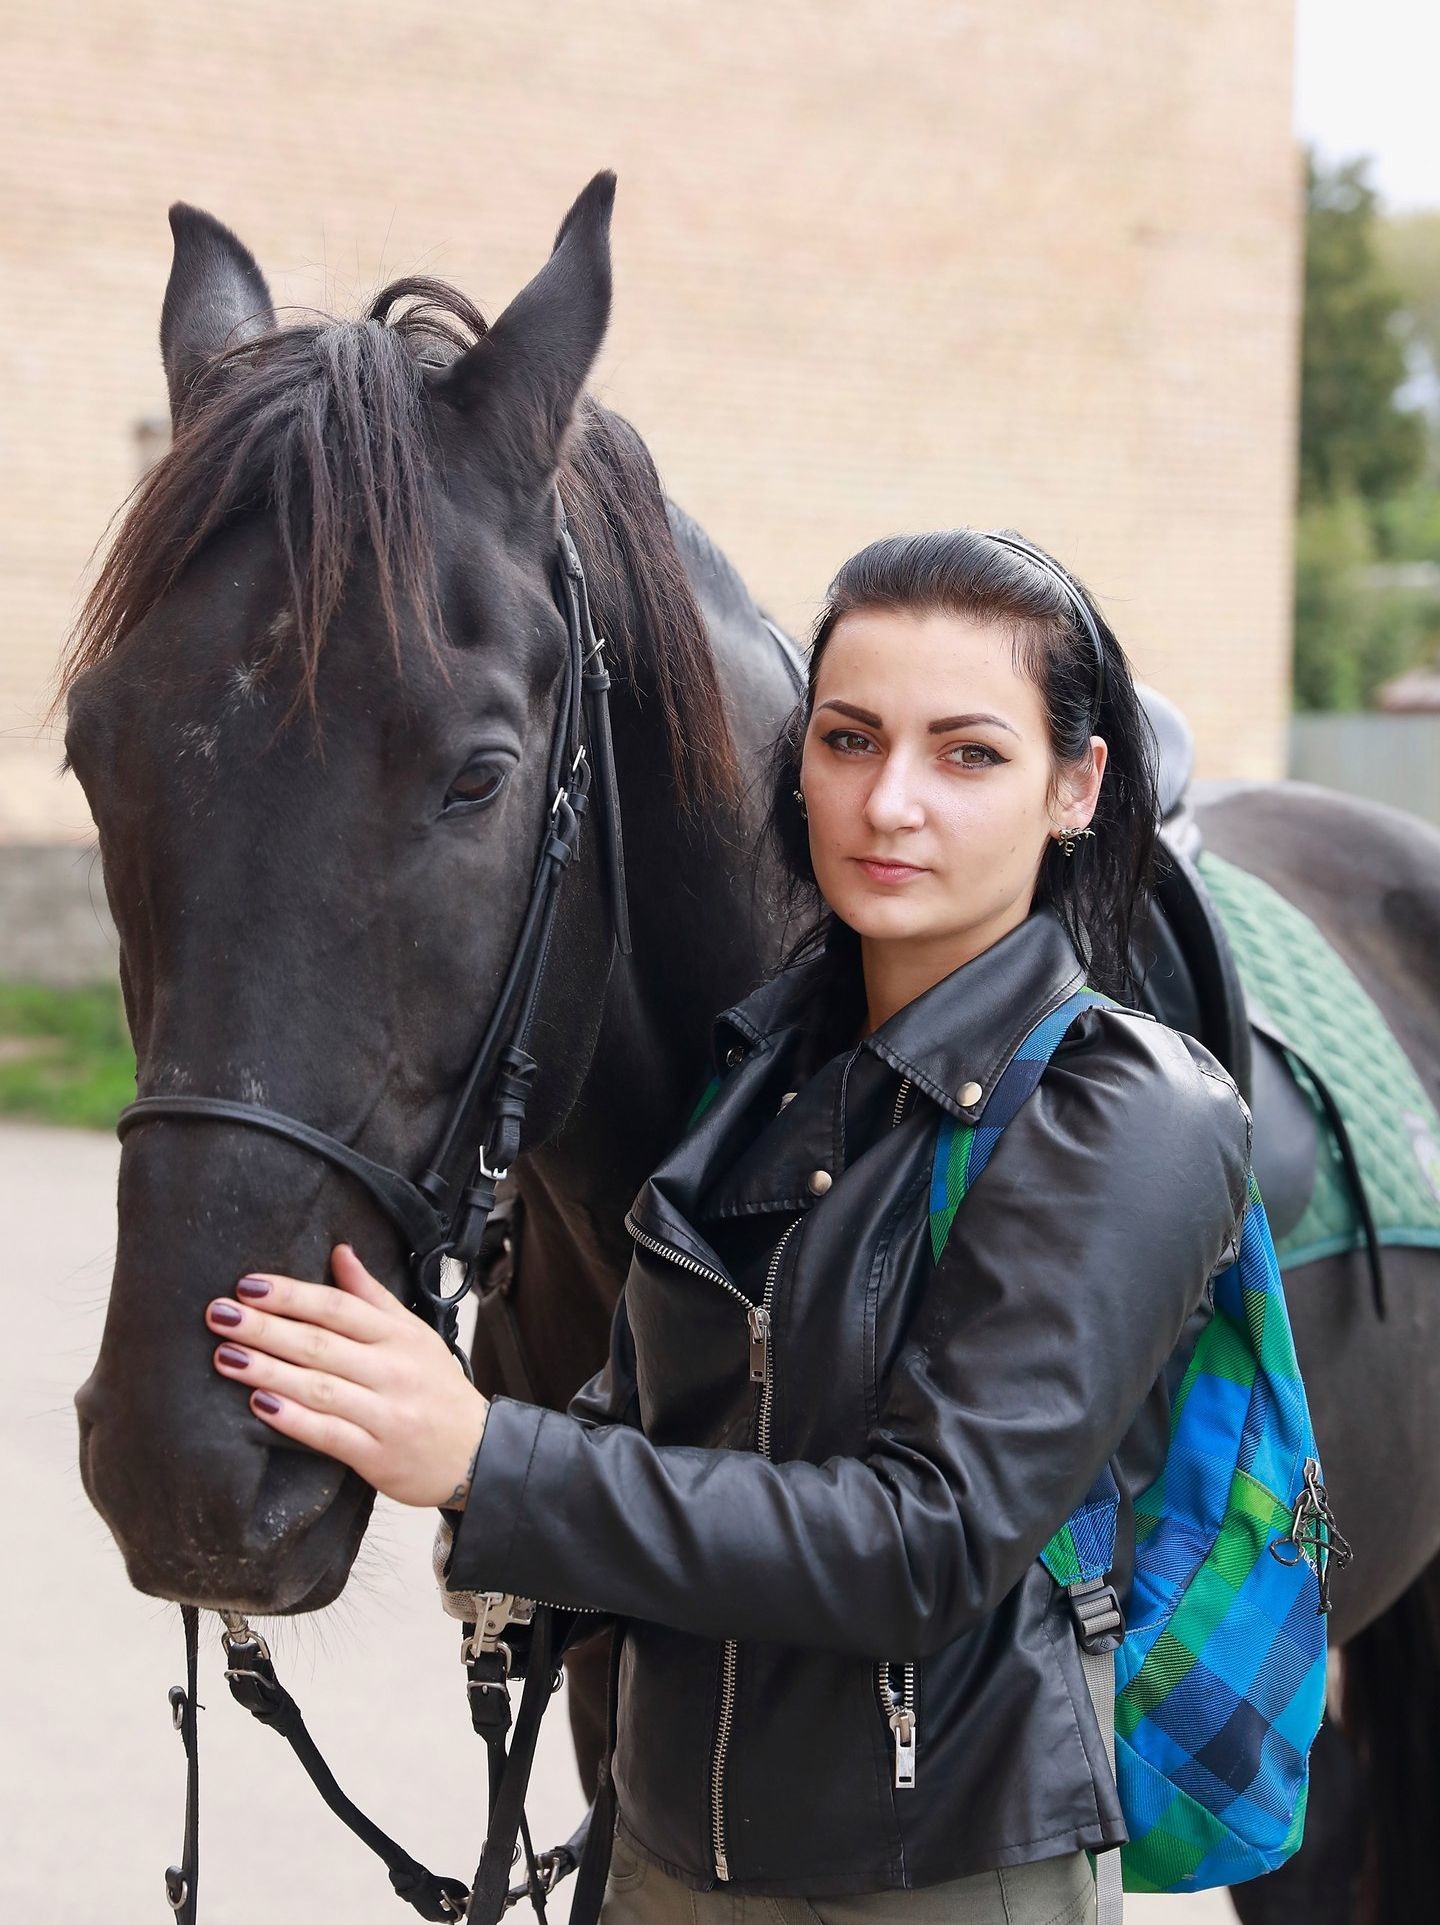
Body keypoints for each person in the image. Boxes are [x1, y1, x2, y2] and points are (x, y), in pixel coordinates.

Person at [202, 528, 1253, 1925]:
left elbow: (924, 1542)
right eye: (849, 737)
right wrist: (416, 1419)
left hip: (931, 1882)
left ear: (1077, 784)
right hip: (655, 1860)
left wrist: (487, 1452)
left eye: (969, 754)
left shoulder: (1127, 1111)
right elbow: (679, 1430)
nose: (889, 803)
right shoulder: (762, 1068)